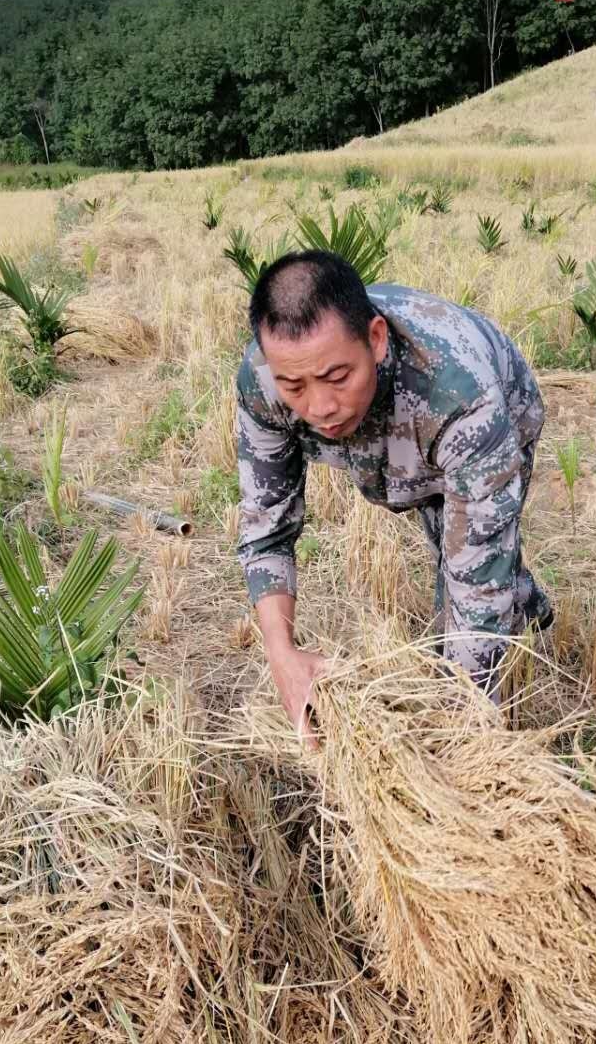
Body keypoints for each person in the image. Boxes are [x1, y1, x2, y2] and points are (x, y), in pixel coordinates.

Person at [235, 249, 552, 743]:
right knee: (450, 541)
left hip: (493, 410)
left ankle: (519, 608)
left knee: (468, 574)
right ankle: (529, 603)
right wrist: (282, 654)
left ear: (377, 340)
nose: (319, 406)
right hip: (407, 439)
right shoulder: (265, 380)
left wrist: (459, 733)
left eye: (338, 377)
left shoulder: (464, 401)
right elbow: (265, 528)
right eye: (294, 385)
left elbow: (477, 593)